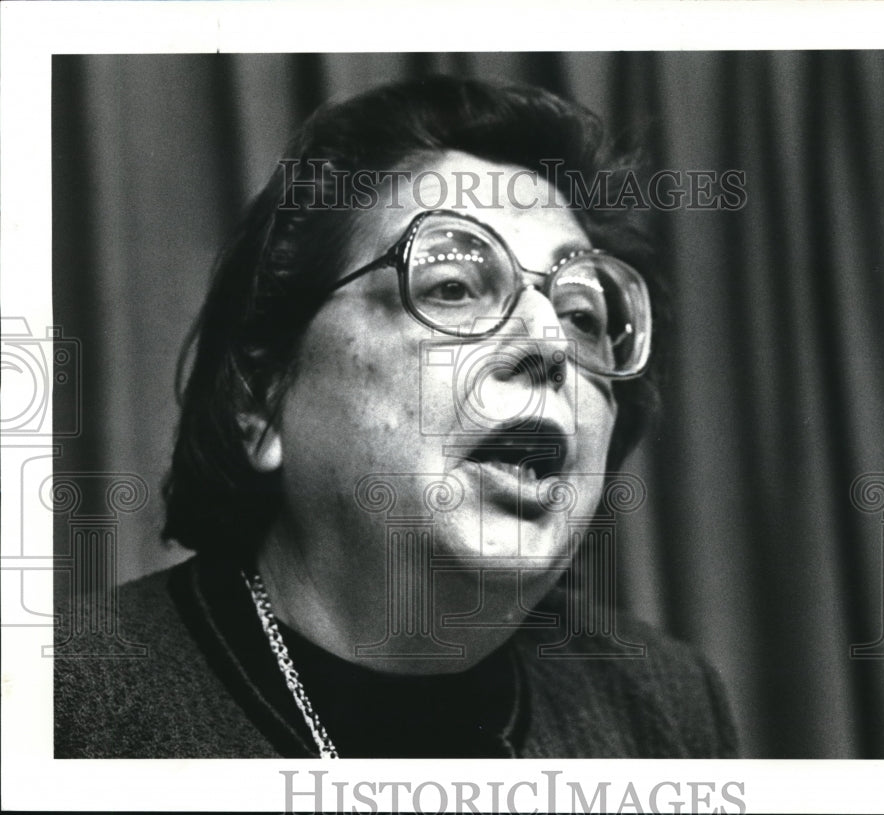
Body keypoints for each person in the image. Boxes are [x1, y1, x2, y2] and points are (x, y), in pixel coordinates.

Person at [55, 76, 738, 758]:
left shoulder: (663, 705)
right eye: (452, 285)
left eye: (583, 315)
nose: (550, 342)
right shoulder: (66, 704)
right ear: (259, 398)